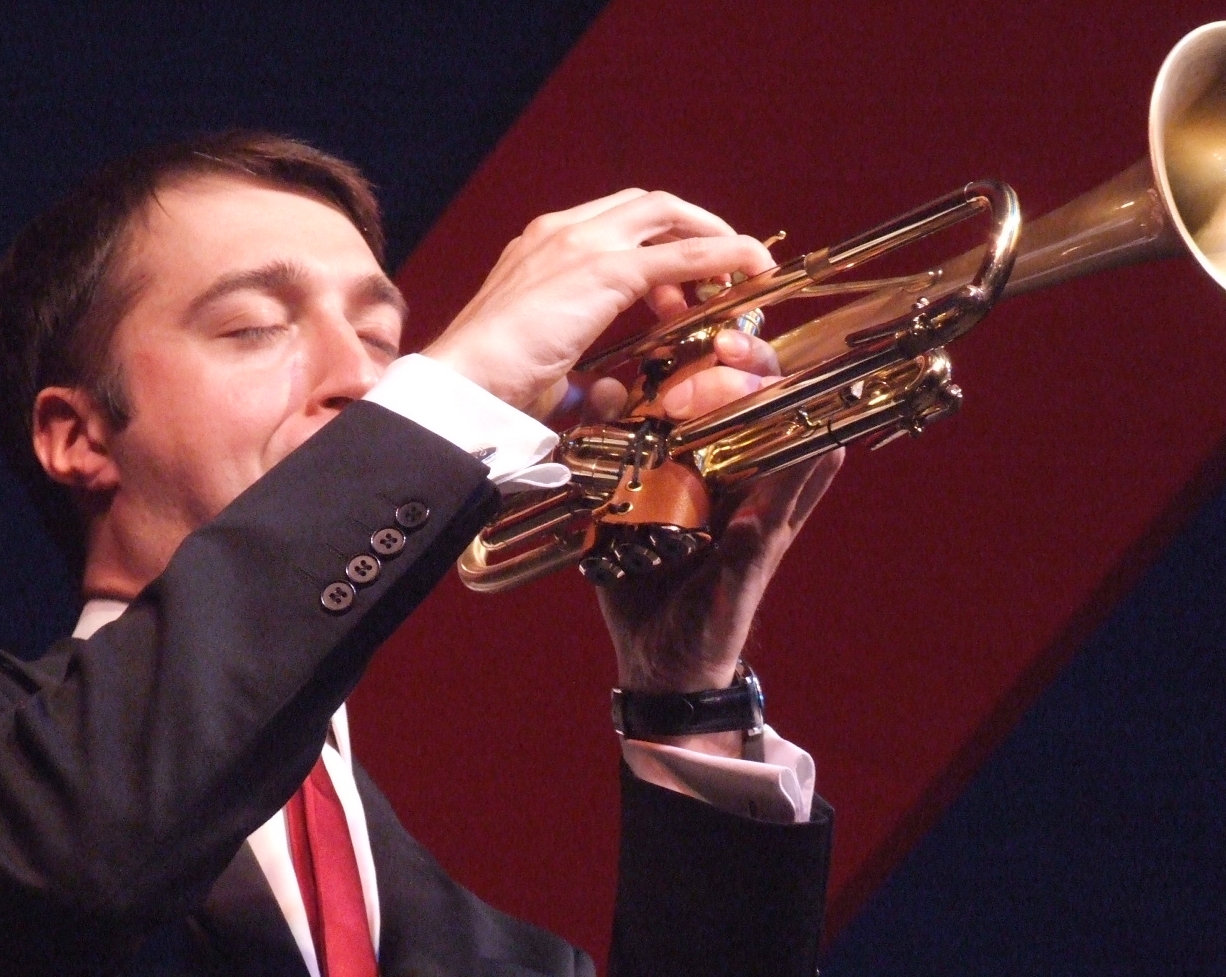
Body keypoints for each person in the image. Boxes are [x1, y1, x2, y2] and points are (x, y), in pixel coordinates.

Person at [0, 132, 840, 976]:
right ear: (76, 435)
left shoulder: (504, 956)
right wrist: (457, 388)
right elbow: (84, 849)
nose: (362, 381)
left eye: (378, 336)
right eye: (254, 327)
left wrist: (687, 700)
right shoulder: (46, 793)